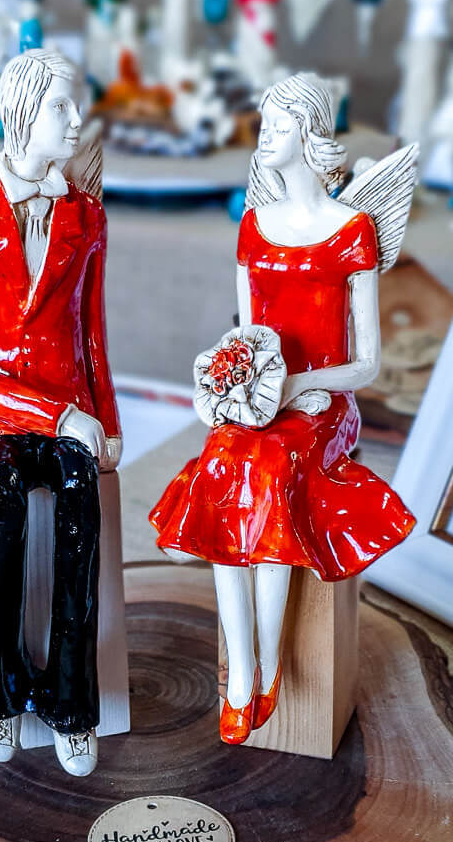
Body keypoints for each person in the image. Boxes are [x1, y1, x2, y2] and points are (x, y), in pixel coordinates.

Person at [150, 74, 415, 744]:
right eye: (264, 123)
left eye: (278, 124)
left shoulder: (351, 231)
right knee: (222, 461)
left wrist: (300, 386)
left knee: (269, 469)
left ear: (311, 134)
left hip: (323, 402)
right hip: (258, 402)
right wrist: (229, 387)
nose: (264, 135)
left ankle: (266, 666)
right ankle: (243, 670)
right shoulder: (253, 227)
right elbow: (245, 334)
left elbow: (367, 363)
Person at [0, 49, 120, 775]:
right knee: (3, 512)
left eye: (75, 106)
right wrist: (54, 416)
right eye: (60, 106)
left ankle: (72, 704)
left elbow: (92, 332)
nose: (76, 120)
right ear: (20, 113)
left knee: (81, 511)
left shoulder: (87, 217)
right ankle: (0, 695)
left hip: (72, 408)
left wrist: (105, 422)